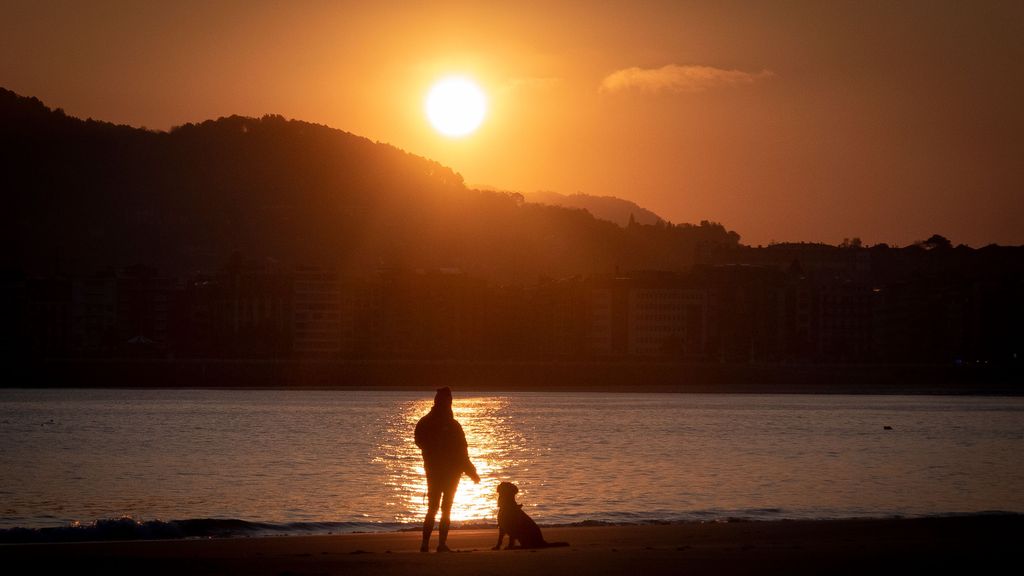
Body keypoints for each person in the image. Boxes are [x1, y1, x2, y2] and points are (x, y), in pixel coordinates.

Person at [414, 386, 480, 552]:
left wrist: (471, 471)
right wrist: (471, 472)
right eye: (448, 400)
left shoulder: (427, 422)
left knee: (435, 508)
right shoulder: (450, 424)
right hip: (446, 472)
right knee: (443, 508)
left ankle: (427, 544)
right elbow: (462, 452)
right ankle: (439, 544)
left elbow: (420, 441)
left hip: (436, 471)